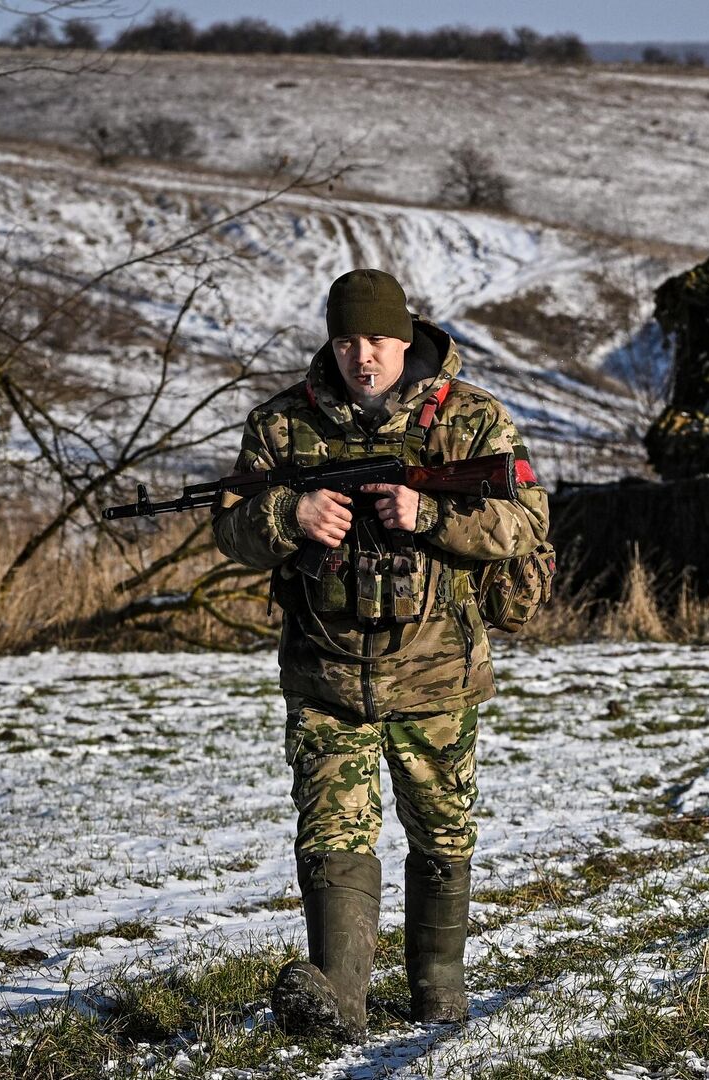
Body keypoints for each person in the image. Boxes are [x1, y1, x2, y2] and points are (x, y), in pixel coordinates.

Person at [211, 268, 549, 1041]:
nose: (364, 356)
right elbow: (230, 531)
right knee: (332, 832)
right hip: (325, 672)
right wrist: (288, 513)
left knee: (441, 832)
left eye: (379, 340)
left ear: (406, 338)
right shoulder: (280, 425)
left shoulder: (471, 419)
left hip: (437, 672)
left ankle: (440, 995)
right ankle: (340, 1004)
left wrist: (429, 514)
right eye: (347, 340)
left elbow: (527, 521)